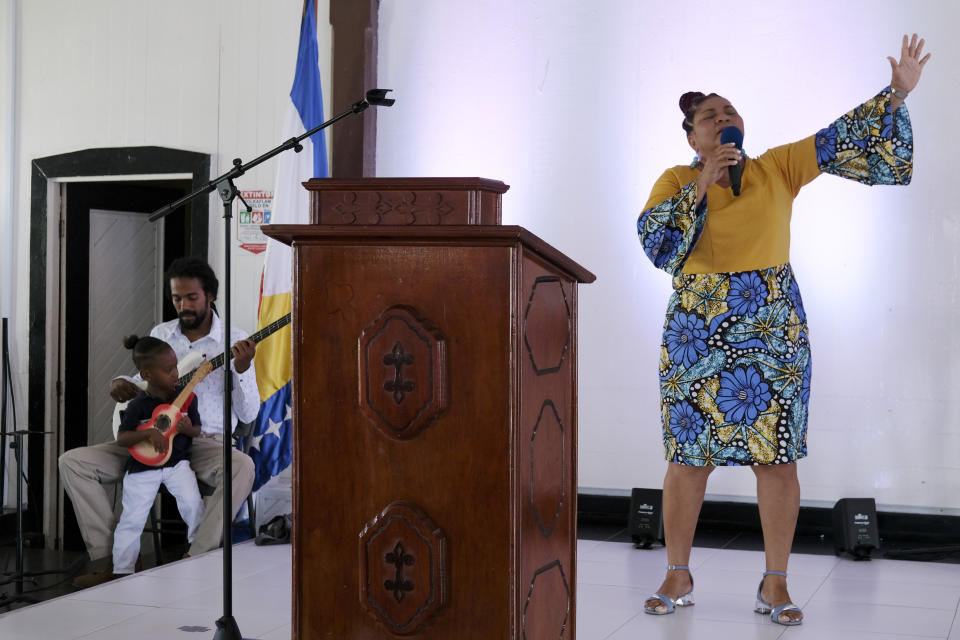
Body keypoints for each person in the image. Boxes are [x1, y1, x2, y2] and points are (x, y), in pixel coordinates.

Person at [636, 35, 930, 626]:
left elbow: (839, 137)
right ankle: (677, 570)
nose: (723, 120)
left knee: (777, 459)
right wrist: (703, 184)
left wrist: (896, 93)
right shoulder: (675, 179)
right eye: (709, 117)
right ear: (693, 138)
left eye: (729, 112)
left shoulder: (777, 166)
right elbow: (655, 243)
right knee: (688, 458)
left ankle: (775, 583)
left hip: (773, 330)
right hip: (698, 329)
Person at [58, 257, 260, 587]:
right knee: (73, 462)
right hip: (149, 435)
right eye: (177, 298)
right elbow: (142, 379)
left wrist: (244, 369)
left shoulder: (236, 339)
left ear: (210, 295)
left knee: (243, 466)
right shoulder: (162, 333)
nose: (183, 305)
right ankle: (114, 560)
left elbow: (249, 414)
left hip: (201, 441)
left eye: (191, 297)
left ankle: (199, 557)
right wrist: (121, 382)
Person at [111, 335, 205, 578]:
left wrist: (187, 429)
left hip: (177, 465)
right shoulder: (138, 405)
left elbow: (197, 429)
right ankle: (122, 569)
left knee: (194, 505)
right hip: (143, 468)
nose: (175, 373)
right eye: (168, 369)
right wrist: (149, 433)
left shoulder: (186, 399)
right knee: (132, 518)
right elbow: (122, 438)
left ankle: (200, 552)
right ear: (146, 375)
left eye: (175, 366)